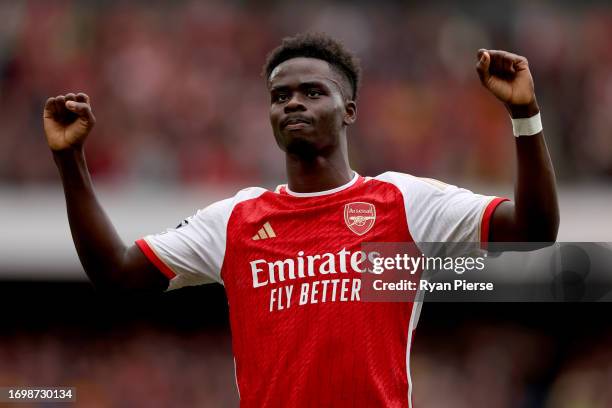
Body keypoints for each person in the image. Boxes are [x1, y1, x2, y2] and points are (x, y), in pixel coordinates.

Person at [43, 33, 558, 407]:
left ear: (349, 110)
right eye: (280, 96)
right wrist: (70, 160)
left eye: (313, 92)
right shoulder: (235, 221)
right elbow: (115, 272)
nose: (293, 103)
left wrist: (525, 115)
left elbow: (535, 228)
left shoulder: (404, 203)